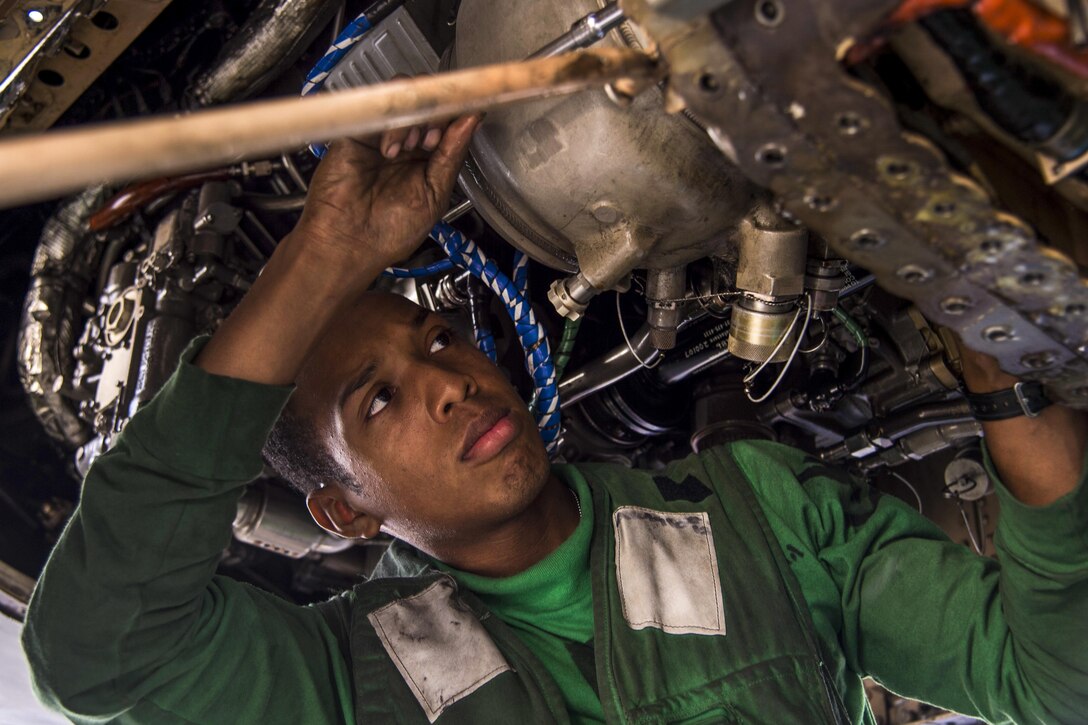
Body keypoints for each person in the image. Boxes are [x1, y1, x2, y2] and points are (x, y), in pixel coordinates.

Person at [21, 115, 1088, 725]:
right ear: (341, 511)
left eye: (438, 341)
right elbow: (93, 655)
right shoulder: (343, 681)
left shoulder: (758, 509)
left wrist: (1000, 372)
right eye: (379, 398)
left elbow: (1048, 674)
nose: (447, 380)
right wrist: (322, 256)